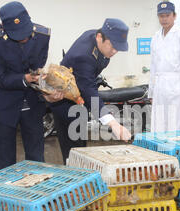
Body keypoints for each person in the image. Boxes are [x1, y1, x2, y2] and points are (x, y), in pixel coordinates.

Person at [0, 1, 64, 171]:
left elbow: (38, 68)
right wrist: (25, 78)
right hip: (5, 105)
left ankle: (36, 193)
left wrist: (47, 90)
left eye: (25, 33)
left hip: (33, 103)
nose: (24, 38)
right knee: (5, 161)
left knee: (36, 158)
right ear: (3, 26)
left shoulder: (42, 35)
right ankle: (6, 195)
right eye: (17, 34)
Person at [48, 18, 132, 164]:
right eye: (112, 46)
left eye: (118, 48)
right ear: (100, 37)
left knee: (81, 148)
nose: (114, 52)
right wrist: (113, 124)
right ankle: (73, 181)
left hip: (80, 98)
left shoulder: (96, 37)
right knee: (73, 153)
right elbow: (89, 91)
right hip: (65, 104)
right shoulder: (83, 56)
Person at [149, 1, 180, 133]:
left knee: (176, 125)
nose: (164, 19)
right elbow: (153, 66)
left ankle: (175, 152)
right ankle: (160, 152)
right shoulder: (155, 38)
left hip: (176, 87)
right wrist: (151, 92)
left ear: (174, 16)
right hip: (159, 86)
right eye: (161, 16)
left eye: (167, 15)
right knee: (158, 124)